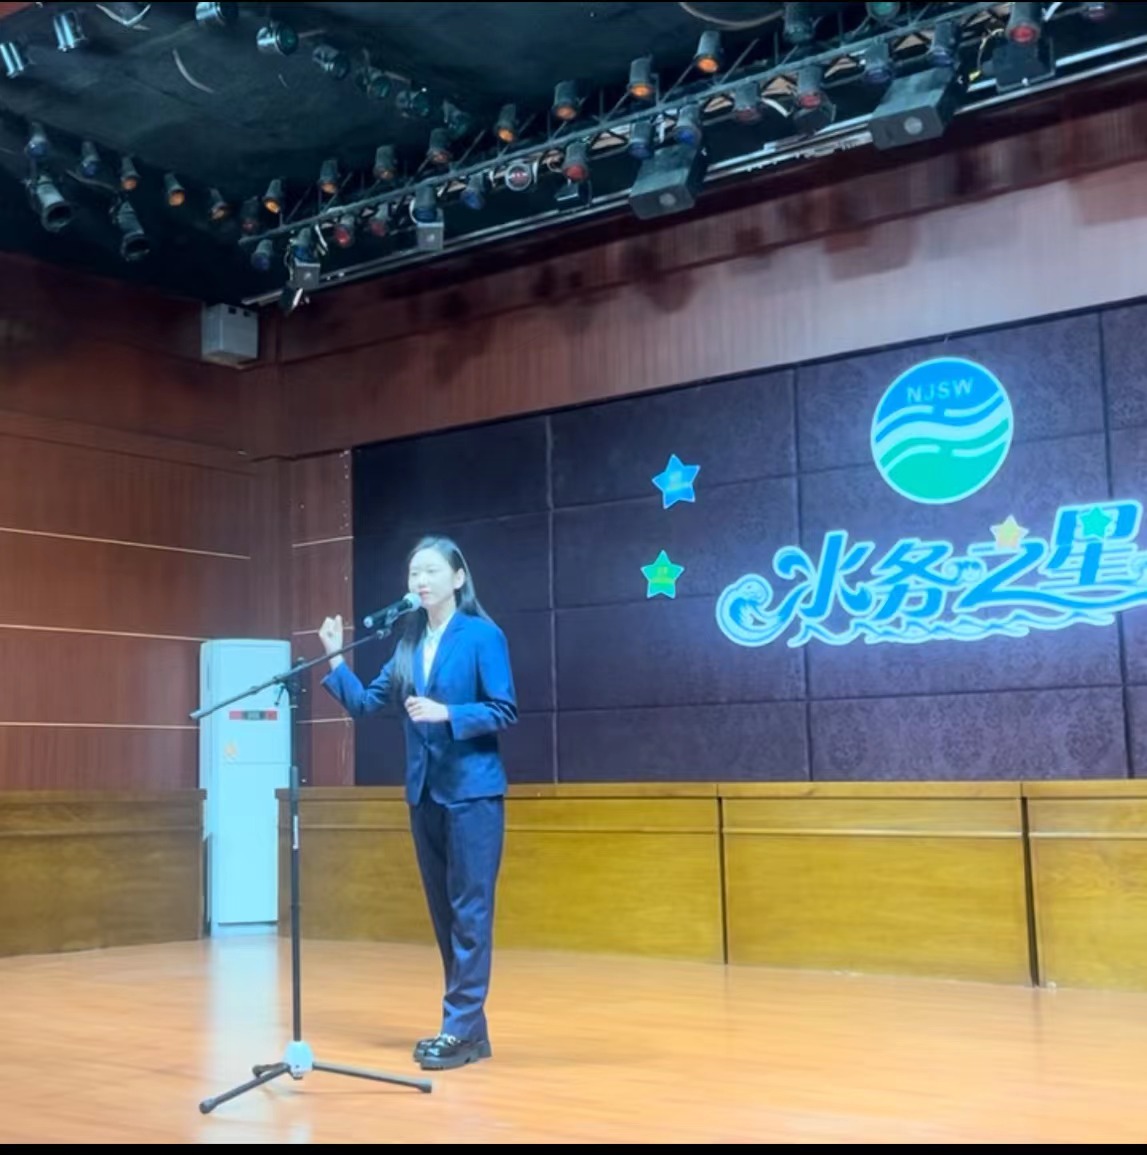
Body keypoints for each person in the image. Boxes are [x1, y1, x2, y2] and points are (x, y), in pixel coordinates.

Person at [318, 535, 518, 1072]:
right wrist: (335, 657)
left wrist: (447, 713)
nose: (421, 581)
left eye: (431, 571)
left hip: (472, 793)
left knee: (470, 912)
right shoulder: (408, 640)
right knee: (444, 915)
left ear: (458, 578)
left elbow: (504, 709)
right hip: (424, 793)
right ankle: (469, 1030)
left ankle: (459, 1028)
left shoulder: (482, 635)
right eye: (413, 573)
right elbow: (366, 704)